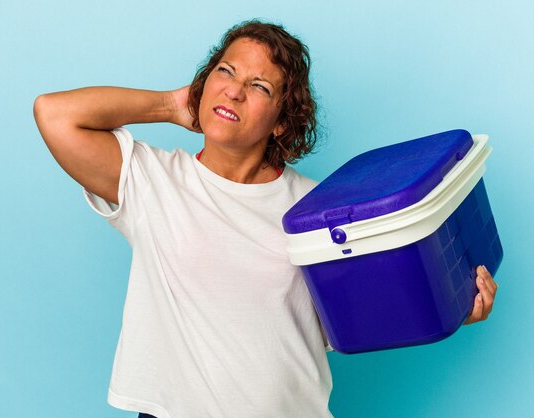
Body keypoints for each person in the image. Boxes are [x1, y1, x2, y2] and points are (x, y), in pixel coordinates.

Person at [33, 19, 498, 418]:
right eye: (225, 71)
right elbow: (54, 114)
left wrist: (452, 307)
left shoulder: (319, 208)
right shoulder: (153, 180)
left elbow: (359, 316)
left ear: (281, 119)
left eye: (259, 86)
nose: (233, 90)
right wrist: (172, 105)